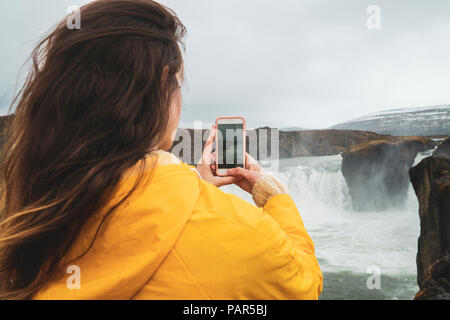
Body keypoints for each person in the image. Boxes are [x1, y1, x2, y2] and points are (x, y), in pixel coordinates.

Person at [0, 0, 322, 300]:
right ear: (163, 82)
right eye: (178, 83)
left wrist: (190, 191)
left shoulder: (19, 205)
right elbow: (302, 284)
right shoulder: (240, 236)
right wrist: (273, 194)